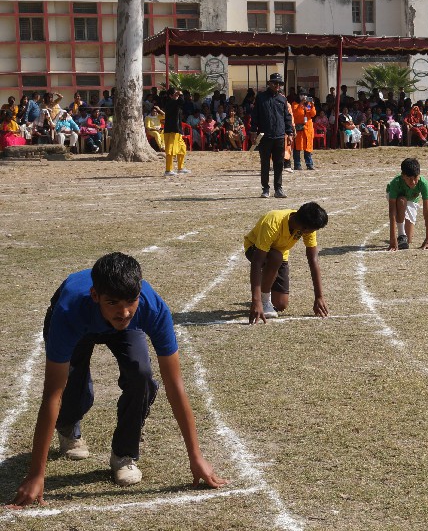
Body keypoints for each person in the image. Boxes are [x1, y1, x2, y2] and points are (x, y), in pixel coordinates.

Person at [9, 253, 226, 505]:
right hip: (79, 323)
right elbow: (52, 394)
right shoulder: (68, 313)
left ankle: (124, 454)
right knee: (70, 382)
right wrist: (36, 474)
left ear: (139, 294)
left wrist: (196, 456)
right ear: (95, 296)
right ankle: (68, 427)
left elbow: (174, 385)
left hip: (120, 327)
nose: (123, 312)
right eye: (112, 302)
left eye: (130, 301)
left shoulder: (151, 308)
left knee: (141, 376)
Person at [244, 202, 329, 323]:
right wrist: (256, 301)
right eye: (313, 230)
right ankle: (263, 298)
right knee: (276, 257)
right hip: (254, 248)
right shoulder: (273, 222)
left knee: (280, 304)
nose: (313, 232)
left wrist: (319, 296)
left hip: (279, 253)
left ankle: (264, 290)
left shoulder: (306, 224)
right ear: (305, 228)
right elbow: (257, 261)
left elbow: (313, 260)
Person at [251, 73, 295, 198]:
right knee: (265, 163)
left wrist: (290, 133)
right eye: (275, 83)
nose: (277, 85)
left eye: (279, 84)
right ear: (269, 83)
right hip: (265, 136)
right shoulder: (260, 98)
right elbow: (255, 116)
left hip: (279, 136)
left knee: (279, 163)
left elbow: (287, 117)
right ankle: (265, 189)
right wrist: (253, 132)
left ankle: (278, 188)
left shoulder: (282, 99)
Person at [387, 157, 428, 251]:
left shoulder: (423, 183)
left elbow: (427, 212)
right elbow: (392, 212)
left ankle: (404, 236)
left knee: (409, 240)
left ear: (419, 175)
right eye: (409, 178)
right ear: (403, 176)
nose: (413, 182)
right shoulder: (395, 183)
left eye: (415, 178)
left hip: (411, 199)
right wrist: (392, 238)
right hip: (398, 198)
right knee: (402, 201)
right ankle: (401, 235)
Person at [159, 87, 189, 176]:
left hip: (177, 130)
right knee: (170, 151)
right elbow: (181, 101)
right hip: (171, 130)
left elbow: (181, 102)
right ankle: (168, 170)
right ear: (170, 95)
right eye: (175, 94)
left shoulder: (175, 103)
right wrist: (181, 94)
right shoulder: (170, 103)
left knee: (182, 149)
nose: (177, 95)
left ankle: (180, 168)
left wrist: (179, 94)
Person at [290, 89, 316, 170]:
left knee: (308, 147)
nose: (304, 96)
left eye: (305, 95)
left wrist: (312, 105)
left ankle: (309, 164)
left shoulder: (308, 104)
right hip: (299, 128)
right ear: (299, 95)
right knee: (297, 147)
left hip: (308, 128)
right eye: (302, 94)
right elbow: (295, 113)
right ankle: (297, 165)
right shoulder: (294, 104)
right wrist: (301, 103)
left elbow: (312, 114)